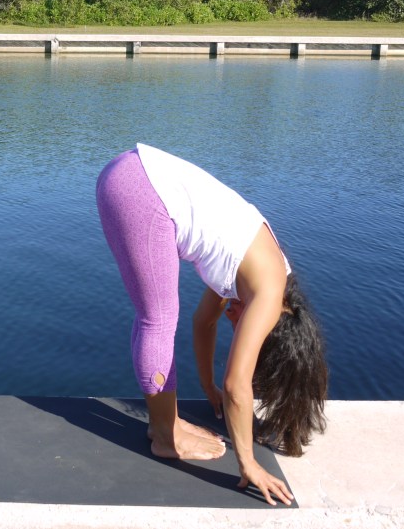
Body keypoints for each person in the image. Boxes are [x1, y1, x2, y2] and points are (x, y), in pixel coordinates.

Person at [95, 143, 328, 506]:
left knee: (158, 317)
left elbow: (204, 322)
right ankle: (164, 435)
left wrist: (207, 387)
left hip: (132, 173)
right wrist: (248, 464)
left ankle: (168, 420)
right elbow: (237, 385)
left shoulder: (260, 268)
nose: (238, 323)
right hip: (141, 189)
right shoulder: (268, 293)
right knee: (158, 320)